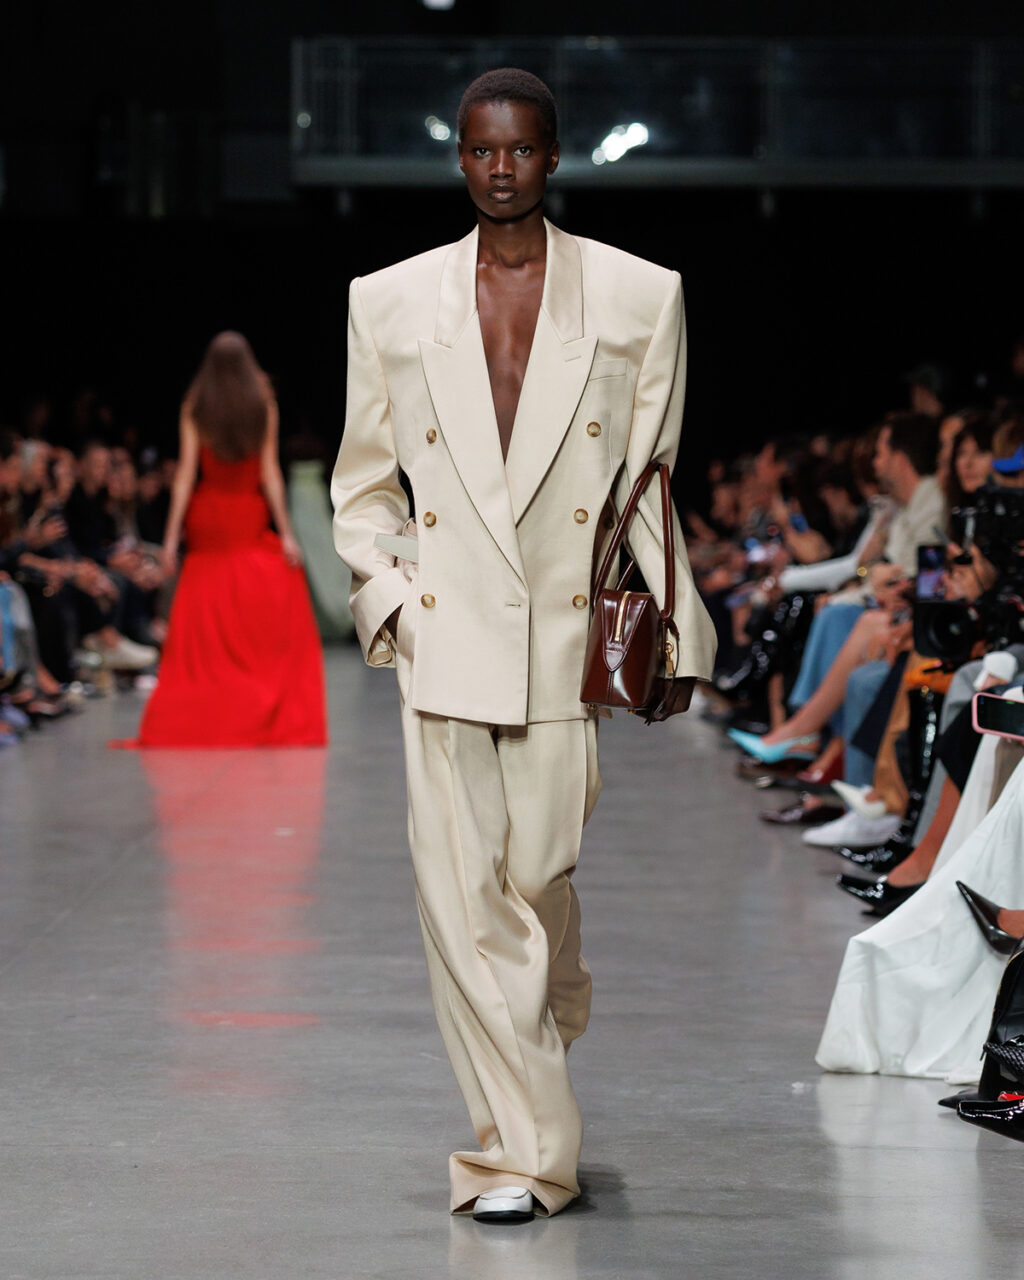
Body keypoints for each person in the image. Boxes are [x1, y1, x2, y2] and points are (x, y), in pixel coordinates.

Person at [330, 68, 716, 1223]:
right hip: (446, 634)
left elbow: (647, 484)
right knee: (464, 903)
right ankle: (525, 1152)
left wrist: (675, 625)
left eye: (521, 148)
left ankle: (544, 1004)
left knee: (535, 884)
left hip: (562, 635)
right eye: (481, 149)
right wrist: (393, 599)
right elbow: (363, 482)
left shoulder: (639, 295)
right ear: (460, 157)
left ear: (553, 156)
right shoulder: (387, 300)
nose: (500, 168)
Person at [128, 332, 326, 747]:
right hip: (246, 511)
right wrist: (287, 535)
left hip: (209, 515)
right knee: (251, 589)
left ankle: (214, 684)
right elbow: (270, 473)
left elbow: (186, 475)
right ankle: (252, 685)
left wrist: (170, 539)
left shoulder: (197, 405)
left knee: (208, 594)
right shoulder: (262, 403)